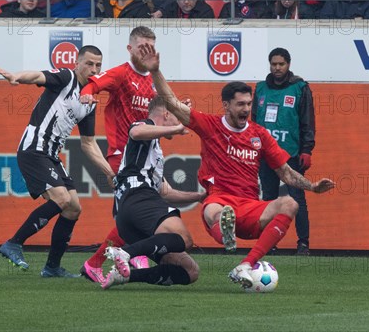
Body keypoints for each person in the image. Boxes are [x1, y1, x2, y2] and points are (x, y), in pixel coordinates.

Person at [138, 43, 335, 288]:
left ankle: (245, 264)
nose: (246, 109)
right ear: (226, 105)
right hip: (219, 199)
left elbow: (285, 172)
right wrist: (155, 72)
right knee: (215, 211)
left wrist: (312, 187)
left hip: (250, 207)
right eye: (240, 104)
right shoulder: (210, 125)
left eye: (249, 104)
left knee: (290, 203)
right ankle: (226, 234)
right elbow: (172, 103)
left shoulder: (259, 134)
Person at [0, 45, 115, 277]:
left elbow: (88, 144)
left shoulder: (89, 99)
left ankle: (52, 267)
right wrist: (16, 77)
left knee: (73, 208)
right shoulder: (66, 77)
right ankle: (13, 243)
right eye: (89, 63)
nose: (94, 69)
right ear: (77, 64)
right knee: (61, 198)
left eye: (98, 65)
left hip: (51, 155)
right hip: (34, 149)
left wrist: (110, 173)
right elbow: (38, 76)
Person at [79, 26, 160, 283]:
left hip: (145, 159)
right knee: (133, 213)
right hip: (122, 156)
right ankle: (123, 258)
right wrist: (86, 95)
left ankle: (111, 260)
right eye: (142, 47)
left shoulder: (153, 79)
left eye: (151, 47)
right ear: (130, 49)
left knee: (134, 213)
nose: (147, 52)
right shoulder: (121, 73)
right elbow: (93, 84)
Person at [100, 97, 205, 289]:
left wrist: (199, 197)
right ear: (166, 114)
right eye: (177, 116)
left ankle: (125, 276)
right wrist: (175, 129)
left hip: (128, 215)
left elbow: (166, 193)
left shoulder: (153, 150)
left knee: (190, 270)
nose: (181, 121)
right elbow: (135, 131)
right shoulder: (145, 126)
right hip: (137, 197)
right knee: (184, 238)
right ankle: (125, 253)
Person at [252, 48, 315, 255]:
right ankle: (269, 244)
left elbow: (308, 121)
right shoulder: (260, 88)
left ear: (288, 64)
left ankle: (303, 244)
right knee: (269, 198)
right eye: (273, 64)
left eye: (281, 64)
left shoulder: (300, 88)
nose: (277, 68)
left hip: (291, 153)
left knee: (297, 198)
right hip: (265, 154)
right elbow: (253, 123)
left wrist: (307, 149)